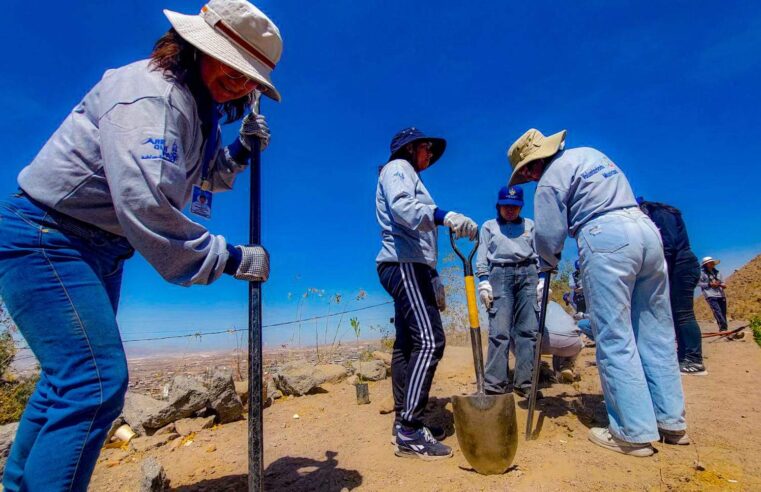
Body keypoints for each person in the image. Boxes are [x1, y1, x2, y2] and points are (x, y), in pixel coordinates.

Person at [0, 1, 279, 489]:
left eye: (249, 77)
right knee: (93, 381)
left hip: (97, 247)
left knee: (63, 382)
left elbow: (201, 176)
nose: (239, 83)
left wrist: (238, 149)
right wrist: (231, 258)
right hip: (48, 235)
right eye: (231, 67)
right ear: (197, 46)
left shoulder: (198, 109)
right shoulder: (150, 96)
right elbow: (148, 204)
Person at [507, 128, 688, 457]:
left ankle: (632, 433)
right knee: (656, 331)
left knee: (614, 334)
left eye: (527, 172)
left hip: (605, 236)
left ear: (533, 165)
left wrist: (545, 266)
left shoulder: (550, 178)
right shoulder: (591, 154)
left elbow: (548, 235)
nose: (530, 179)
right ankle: (670, 422)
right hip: (646, 232)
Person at [376, 127, 477, 460]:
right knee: (431, 341)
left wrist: (432, 275)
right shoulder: (397, 169)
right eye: (427, 149)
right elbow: (404, 208)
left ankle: (403, 422)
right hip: (404, 263)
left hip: (412, 265)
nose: (430, 156)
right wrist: (445, 216)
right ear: (411, 148)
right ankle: (408, 429)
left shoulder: (406, 173)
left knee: (408, 344)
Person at [475, 185, 541, 398]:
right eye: (506, 206)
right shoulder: (488, 227)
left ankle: (525, 383)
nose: (510, 210)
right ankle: (494, 385)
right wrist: (484, 281)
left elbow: (540, 254)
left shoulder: (530, 226)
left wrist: (541, 278)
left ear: (520, 207)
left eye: (515, 206)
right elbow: (482, 256)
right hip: (499, 275)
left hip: (528, 274)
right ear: (499, 206)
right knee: (499, 331)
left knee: (528, 331)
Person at [639, 199, 706, 375]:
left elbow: (668, 245)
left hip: (681, 267)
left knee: (684, 314)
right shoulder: (662, 214)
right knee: (677, 314)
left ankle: (694, 360)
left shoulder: (661, 214)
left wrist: (654, 271)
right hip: (679, 267)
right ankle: (684, 356)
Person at [699, 256, 729, 332]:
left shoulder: (718, 272)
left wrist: (722, 285)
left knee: (723, 312)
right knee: (717, 311)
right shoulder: (701, 273)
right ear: (706, 264)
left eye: (713, 262)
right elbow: (698, 283)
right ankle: (723, 328)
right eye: (711, 263)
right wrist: (709, 284)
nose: (713, 264)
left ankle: (724, 329)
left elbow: (723, 282)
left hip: (721, 294)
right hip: (710, 295)